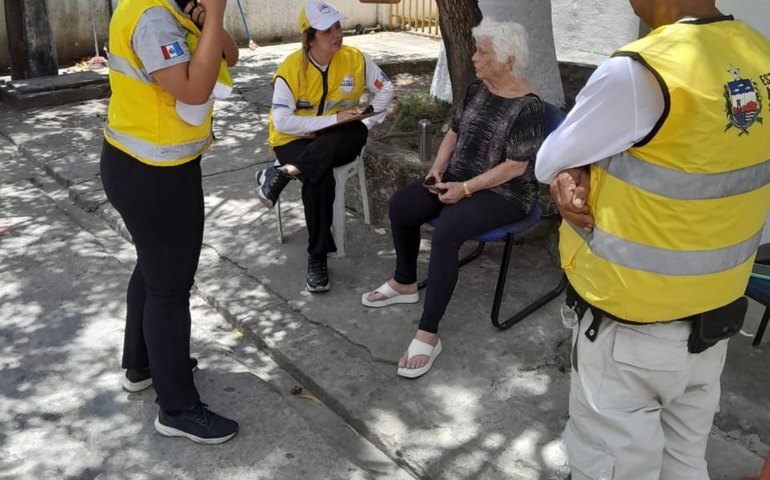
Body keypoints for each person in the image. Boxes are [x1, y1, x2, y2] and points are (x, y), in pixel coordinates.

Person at [535, 1, 770, 478]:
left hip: (632, 331)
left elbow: (548, 160)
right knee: (685, 462)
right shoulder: (758, 54)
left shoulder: (642, 72)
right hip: (716, 317)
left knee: (612, 467)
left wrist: (576, 167)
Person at [363, 18, 545, 379]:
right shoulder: (477, 88)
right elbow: (453, 131)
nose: (474, 58)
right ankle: (404, 282)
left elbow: (513, 168)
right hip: (460, 178)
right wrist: (438, 169)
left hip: (505, 192)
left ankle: (428, 333)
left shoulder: (530, 106)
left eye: (482, 52)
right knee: (403, 206)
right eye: (476, 50)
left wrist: (464, 189)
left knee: (447, 231)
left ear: (508, 60)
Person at [100, 0, 240, 444]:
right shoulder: (152, 18)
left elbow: (229, 55)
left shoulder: (174, 8)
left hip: (155, 164)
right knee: (169, 287)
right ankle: (177, 408)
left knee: (154, 267)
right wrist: (214, 16)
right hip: (152, 172)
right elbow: (194, 91)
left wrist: (210, 21)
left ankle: (142, 365)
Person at [255, 1, 393, 293]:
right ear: (309, 37)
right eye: (326, 30)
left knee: (354, 129)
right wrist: (331, 119)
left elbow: (386, 89)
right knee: (320, 180)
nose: (336, 34)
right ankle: (317, 258)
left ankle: (284, 173)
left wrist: (367, 119)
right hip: (293, 140)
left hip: (340, 137)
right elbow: (281, 122)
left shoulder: (355, 58)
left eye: (338, 26)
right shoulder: (291, 68)